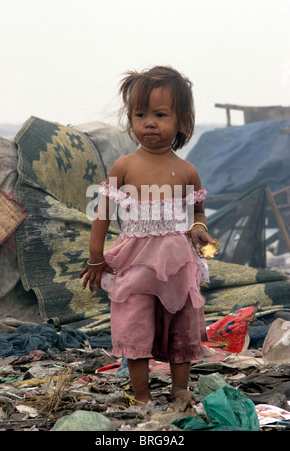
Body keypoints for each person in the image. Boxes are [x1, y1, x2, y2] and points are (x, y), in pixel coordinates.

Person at [79, 65, 217, 405]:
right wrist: (96, 258)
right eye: (140, 114)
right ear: (130, 119)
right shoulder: (124, 166)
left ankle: (179, 390)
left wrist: (199, 229)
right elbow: (102, 214)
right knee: (134, 325)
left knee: (182, 325)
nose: (149, 123)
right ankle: (141, 397)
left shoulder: (187, 171)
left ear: (182, 121)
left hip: (177, 265)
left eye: (159, 114)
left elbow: (197, 214)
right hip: (136, 263)